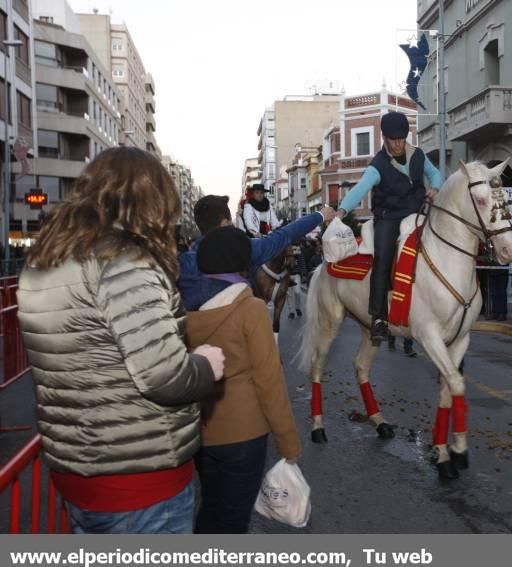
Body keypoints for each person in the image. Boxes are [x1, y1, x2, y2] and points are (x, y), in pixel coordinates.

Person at [16, 147, 226, 534]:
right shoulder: (124, 262)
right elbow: (162, 376)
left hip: (77, 473)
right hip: (140, 477)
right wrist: (205, 366)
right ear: (150, 202)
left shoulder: (44, 263)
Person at [188, 226, 300, 534]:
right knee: (232, 521)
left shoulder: (185, 307)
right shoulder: (250, 309)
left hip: (199, 433)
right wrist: (288, 442)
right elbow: (269, 381)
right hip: (243, 436)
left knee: (211, 508)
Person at [335, 111, 443, 341]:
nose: (397, 144)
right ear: (384, 138)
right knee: (383, 257)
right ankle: (379, 317)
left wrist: (435, 187)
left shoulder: (418, 155)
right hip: (389, 217)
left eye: (401, 139)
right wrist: (342, 211)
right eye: (393, 140)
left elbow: (436, 174)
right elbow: (361, 188)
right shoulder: (378, 164)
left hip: (417, 212)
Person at [179, 195, 334, 311]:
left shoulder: (183, 263)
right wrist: (320, 215)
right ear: (226, 223)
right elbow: (285, 235)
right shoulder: (245, 249)